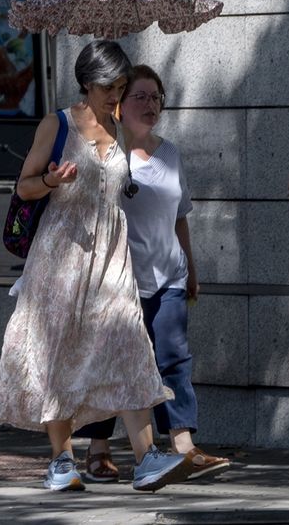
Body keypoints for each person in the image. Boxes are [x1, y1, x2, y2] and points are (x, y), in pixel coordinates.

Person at [0, 40, 188, 493]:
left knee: (130, 343)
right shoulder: (57, 124)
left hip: (112, 256)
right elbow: (23, 187)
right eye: (107, 87)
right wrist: (51, 179)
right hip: (60, 257)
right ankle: (61, 460)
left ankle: (147, 459)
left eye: (120, 86)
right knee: (58, 353)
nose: (115, 95)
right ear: (86, 83)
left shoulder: (120, 129)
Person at [77, 65, 230, 483]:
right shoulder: (108, 154)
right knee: (111, 362)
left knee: (173, 359)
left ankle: (183, 445)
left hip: (169, 277)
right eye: (140, 96)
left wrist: (191, 267)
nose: (151, 105)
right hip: (119, 281)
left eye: (156, 97)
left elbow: (180, 217)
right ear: (120, 105)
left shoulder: (170, 154)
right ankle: (98, 448)